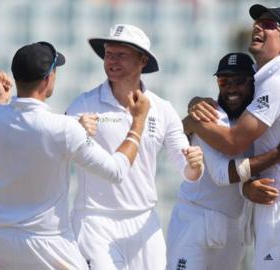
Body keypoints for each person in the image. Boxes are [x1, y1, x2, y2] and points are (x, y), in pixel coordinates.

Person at [0, 41, 150, 269]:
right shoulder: (65, 129)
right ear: (48, 78)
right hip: (48, 244)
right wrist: (138, 122)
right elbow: (116, 171)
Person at [183, 4, 280, 269]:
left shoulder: (278, 81)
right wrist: (195, 104)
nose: (258, 26)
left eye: (269, 25)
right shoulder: (265, 79)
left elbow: (234, 142)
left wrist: (194, 122)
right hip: (274, 202)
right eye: (258, 22)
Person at [66, 24, 204, 269]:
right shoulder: (83, 104)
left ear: (143, 60)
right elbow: (58, 151)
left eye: (121, 55)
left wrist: (195, 166)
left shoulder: (163, 109)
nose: (112, 61)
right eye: (108, 54)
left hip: (144, 222)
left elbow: (188, 170)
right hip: (94, 221)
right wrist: (74, 129)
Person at [167, 52, 280, 270]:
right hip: (195, 220)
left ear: (254, 83)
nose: (231, 88)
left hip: (234, 226)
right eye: (224, 81)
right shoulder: (209, 117)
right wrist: (278, 155)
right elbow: (223, 174)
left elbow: (249, 172)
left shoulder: (257, 123)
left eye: (239, 81)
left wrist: (247, 187)